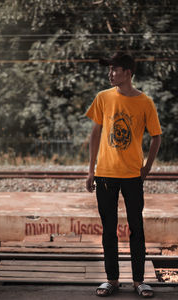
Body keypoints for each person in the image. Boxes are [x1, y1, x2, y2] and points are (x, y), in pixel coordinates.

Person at [85, 52, 162, 298]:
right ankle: (112, 280)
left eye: (115, 70)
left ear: (128, 73)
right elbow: (95, 134)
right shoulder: (103, 98)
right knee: (109, 229)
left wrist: (147, 167)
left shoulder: (145, 102)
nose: (110, 74)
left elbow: (156, 136)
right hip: (105, 174)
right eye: (109, 70)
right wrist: (90, 170)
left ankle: (139, 281)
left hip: (132, 176)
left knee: (136, 228)